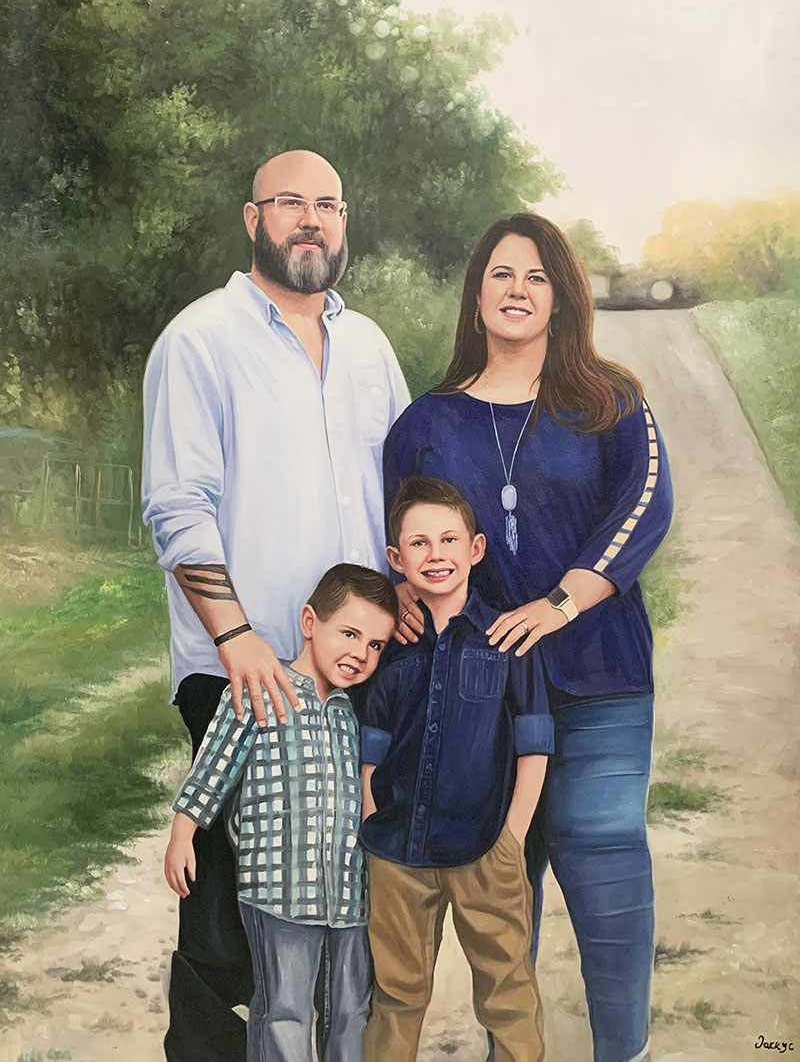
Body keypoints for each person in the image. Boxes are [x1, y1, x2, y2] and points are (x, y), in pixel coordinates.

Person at [382, 213, 673, 1062]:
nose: (517, 290)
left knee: (603, 844)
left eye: (537, 277)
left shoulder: (609, 399)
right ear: (477, 296)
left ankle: (626, 1050)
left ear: (562, 297)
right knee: (502, 876)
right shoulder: (424, 423)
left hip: (601, 674)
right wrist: (401, 588)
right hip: (482, 694)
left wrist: (560, 601)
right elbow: (405, 539)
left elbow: (645, 507)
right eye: (502, 275)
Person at [141, 149, 410, 1062]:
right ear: (251, 217)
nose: (311, 219)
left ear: (344, 222)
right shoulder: (201, 339)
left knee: (343, 895)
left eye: (328, 204)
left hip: (357, 664)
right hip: (243, 670)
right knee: (226, 915)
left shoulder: (369, 346)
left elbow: (403, 492)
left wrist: (405, 597)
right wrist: (238, 636)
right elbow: (177, 504)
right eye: (290, 202)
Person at [164, 563, 398, 1062]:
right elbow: (213, 769)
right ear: (311, 622)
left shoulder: (357, 713)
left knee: (353, 1010)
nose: (360, 653)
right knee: (284, 1012)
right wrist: (183, 832)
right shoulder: (258, 688)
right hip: (277, 891)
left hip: (349, 895)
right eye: (350, 633)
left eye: (375, 645)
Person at [360, 475, 554, 1062]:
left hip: (483, 850)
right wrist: (373, 820)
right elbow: (373, 745)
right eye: (418, 544)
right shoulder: (390, 646)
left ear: (475, 550)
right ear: (397, 559)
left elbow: (534, 745)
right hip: (397, 853)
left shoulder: (508, 640)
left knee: (506, 990)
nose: (435, 555)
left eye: (448, 540)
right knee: (395, 994)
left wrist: (512, 838)